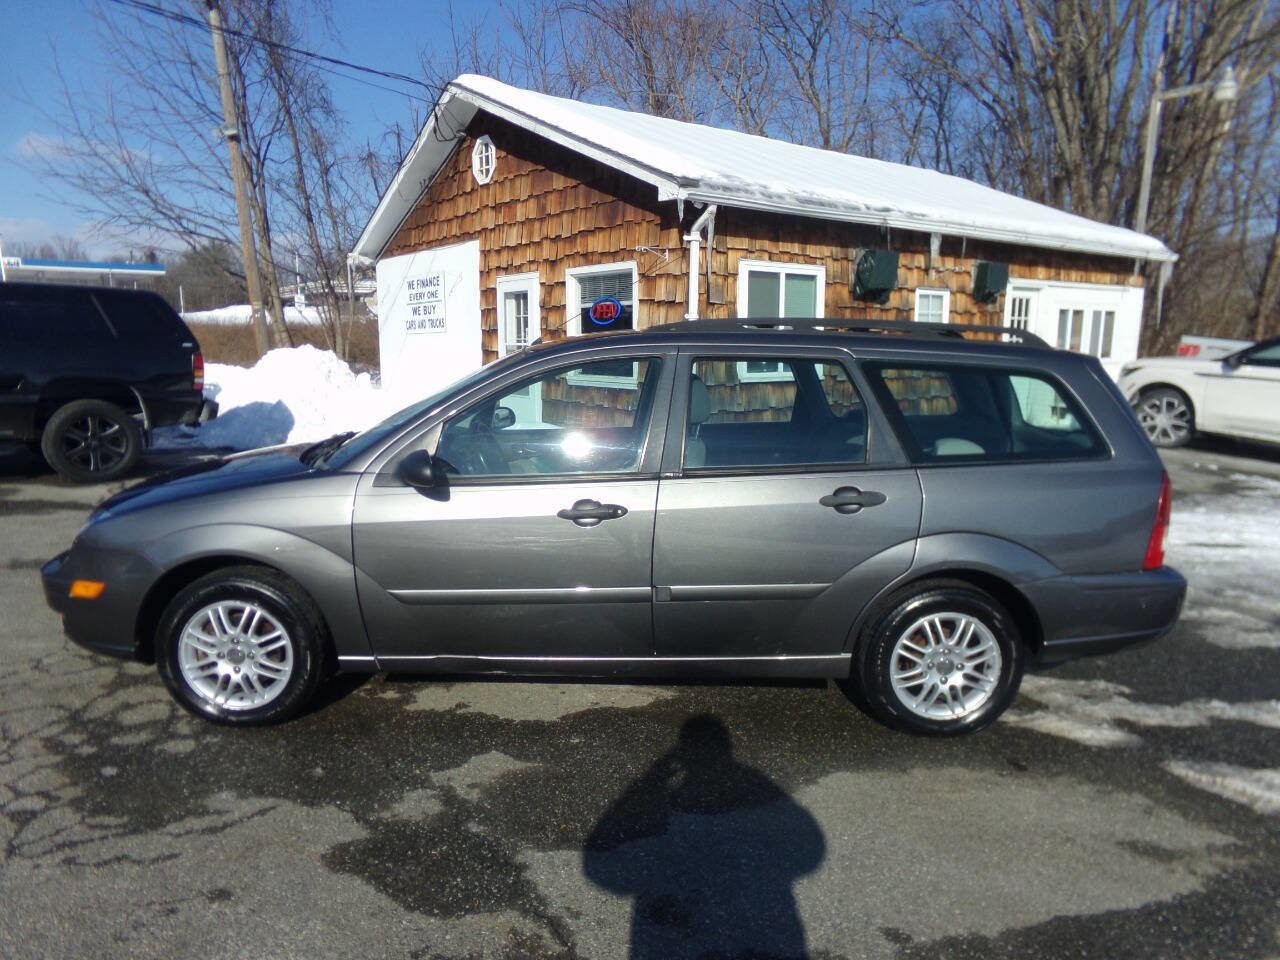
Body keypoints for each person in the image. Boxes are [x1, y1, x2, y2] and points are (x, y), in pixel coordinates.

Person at [584, 714, 825, 960]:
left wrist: (650, 781)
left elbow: (600, 871)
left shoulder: (743, 781)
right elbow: (811, 848)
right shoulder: (750, 778)